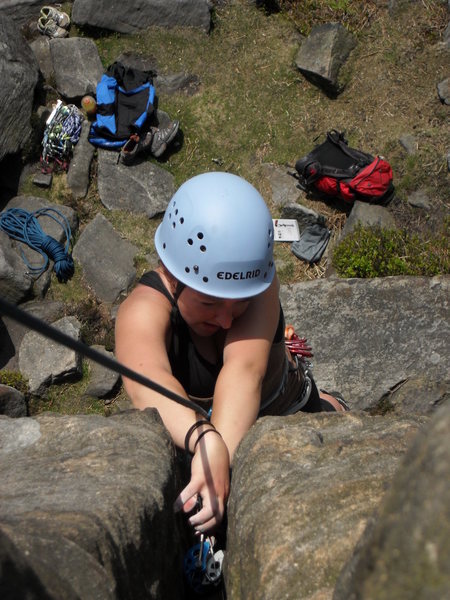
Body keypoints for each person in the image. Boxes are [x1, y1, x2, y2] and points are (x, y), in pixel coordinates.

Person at [115, 171, 348, 536]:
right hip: (199, 424)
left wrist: (214, 449)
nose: (226, 320)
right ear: (174, 276)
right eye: (210, 302)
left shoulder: (260, 284)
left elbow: (244, 371)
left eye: (240, 305)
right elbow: (148, 383)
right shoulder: (141, 312)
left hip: (280, 398)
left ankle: (328, 403)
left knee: (325, 421)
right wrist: (204, 439)